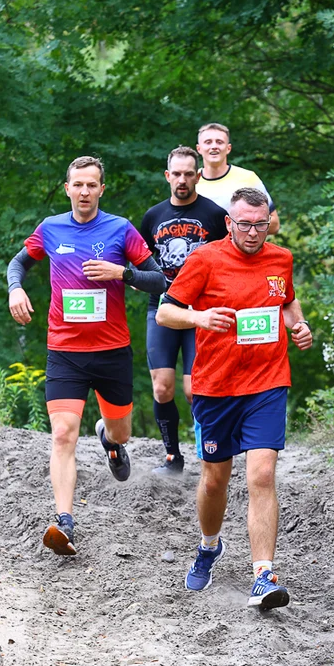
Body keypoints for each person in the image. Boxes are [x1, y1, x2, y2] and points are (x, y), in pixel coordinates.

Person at [155, 187, 313, 609]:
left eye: (261, 224)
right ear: (229, 222)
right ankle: (209, 545)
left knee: (261, 476)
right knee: (214, 479)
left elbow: (288, 305)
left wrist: (300, 327)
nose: (253, 232)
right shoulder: (205, 259)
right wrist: (199, 316)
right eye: (244, 224)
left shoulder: (281, 259)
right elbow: (166, 312)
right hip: (216, 386)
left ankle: (263, 574)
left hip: (267, 381)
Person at [7, 156, 168, 556]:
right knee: (62, 434)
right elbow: (19, 262)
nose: (84, 192)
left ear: (101, 189)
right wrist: (15, 288)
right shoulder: (50, 228)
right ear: (67, 188)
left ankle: (111, 443)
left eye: (91, 185)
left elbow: (160, 279)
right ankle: (65, 521)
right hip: (65, 350)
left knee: (122, 431)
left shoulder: (120, 229)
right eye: (77, 185)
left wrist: (123, 274)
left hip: (112, 350)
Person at [139, 146, 229, 475]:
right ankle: (172, 457)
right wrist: (135, 279)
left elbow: (231, 259)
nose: (182, 180)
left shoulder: (217, 216)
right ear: (167, 176)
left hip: (202, 311)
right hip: (162, 307)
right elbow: (140, 263)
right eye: (176, 174)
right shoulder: (152, 216)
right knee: (162, 386)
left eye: (189, 174)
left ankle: (210, 455)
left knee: (194, 390)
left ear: (198, 175)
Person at [195, 123, 280, 236]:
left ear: (228, 148)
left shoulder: (248, 179)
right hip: (201, 252)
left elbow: (274, 224)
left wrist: (240, 227)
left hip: (239, 252)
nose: (214, 146)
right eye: (208, 142)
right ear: (199, 148)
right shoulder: (190, 181)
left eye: (219, 142)